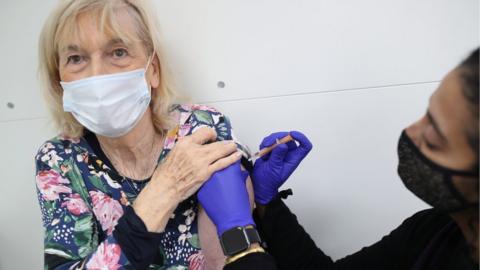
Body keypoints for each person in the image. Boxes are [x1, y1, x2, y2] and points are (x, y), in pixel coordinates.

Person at [198, 48, 479, 270]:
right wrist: (267, 203)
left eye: (434, 138)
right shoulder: (435, 233)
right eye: (426, 113)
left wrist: (239, 237)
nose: (411, 132)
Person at [35, 0, 254, 269]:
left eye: (118, 52)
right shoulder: (60, 159)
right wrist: (165, 188)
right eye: (76, 58)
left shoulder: (199, 127)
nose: (96, 75)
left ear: (153, 70)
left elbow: (232, 258)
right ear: (59, 81)